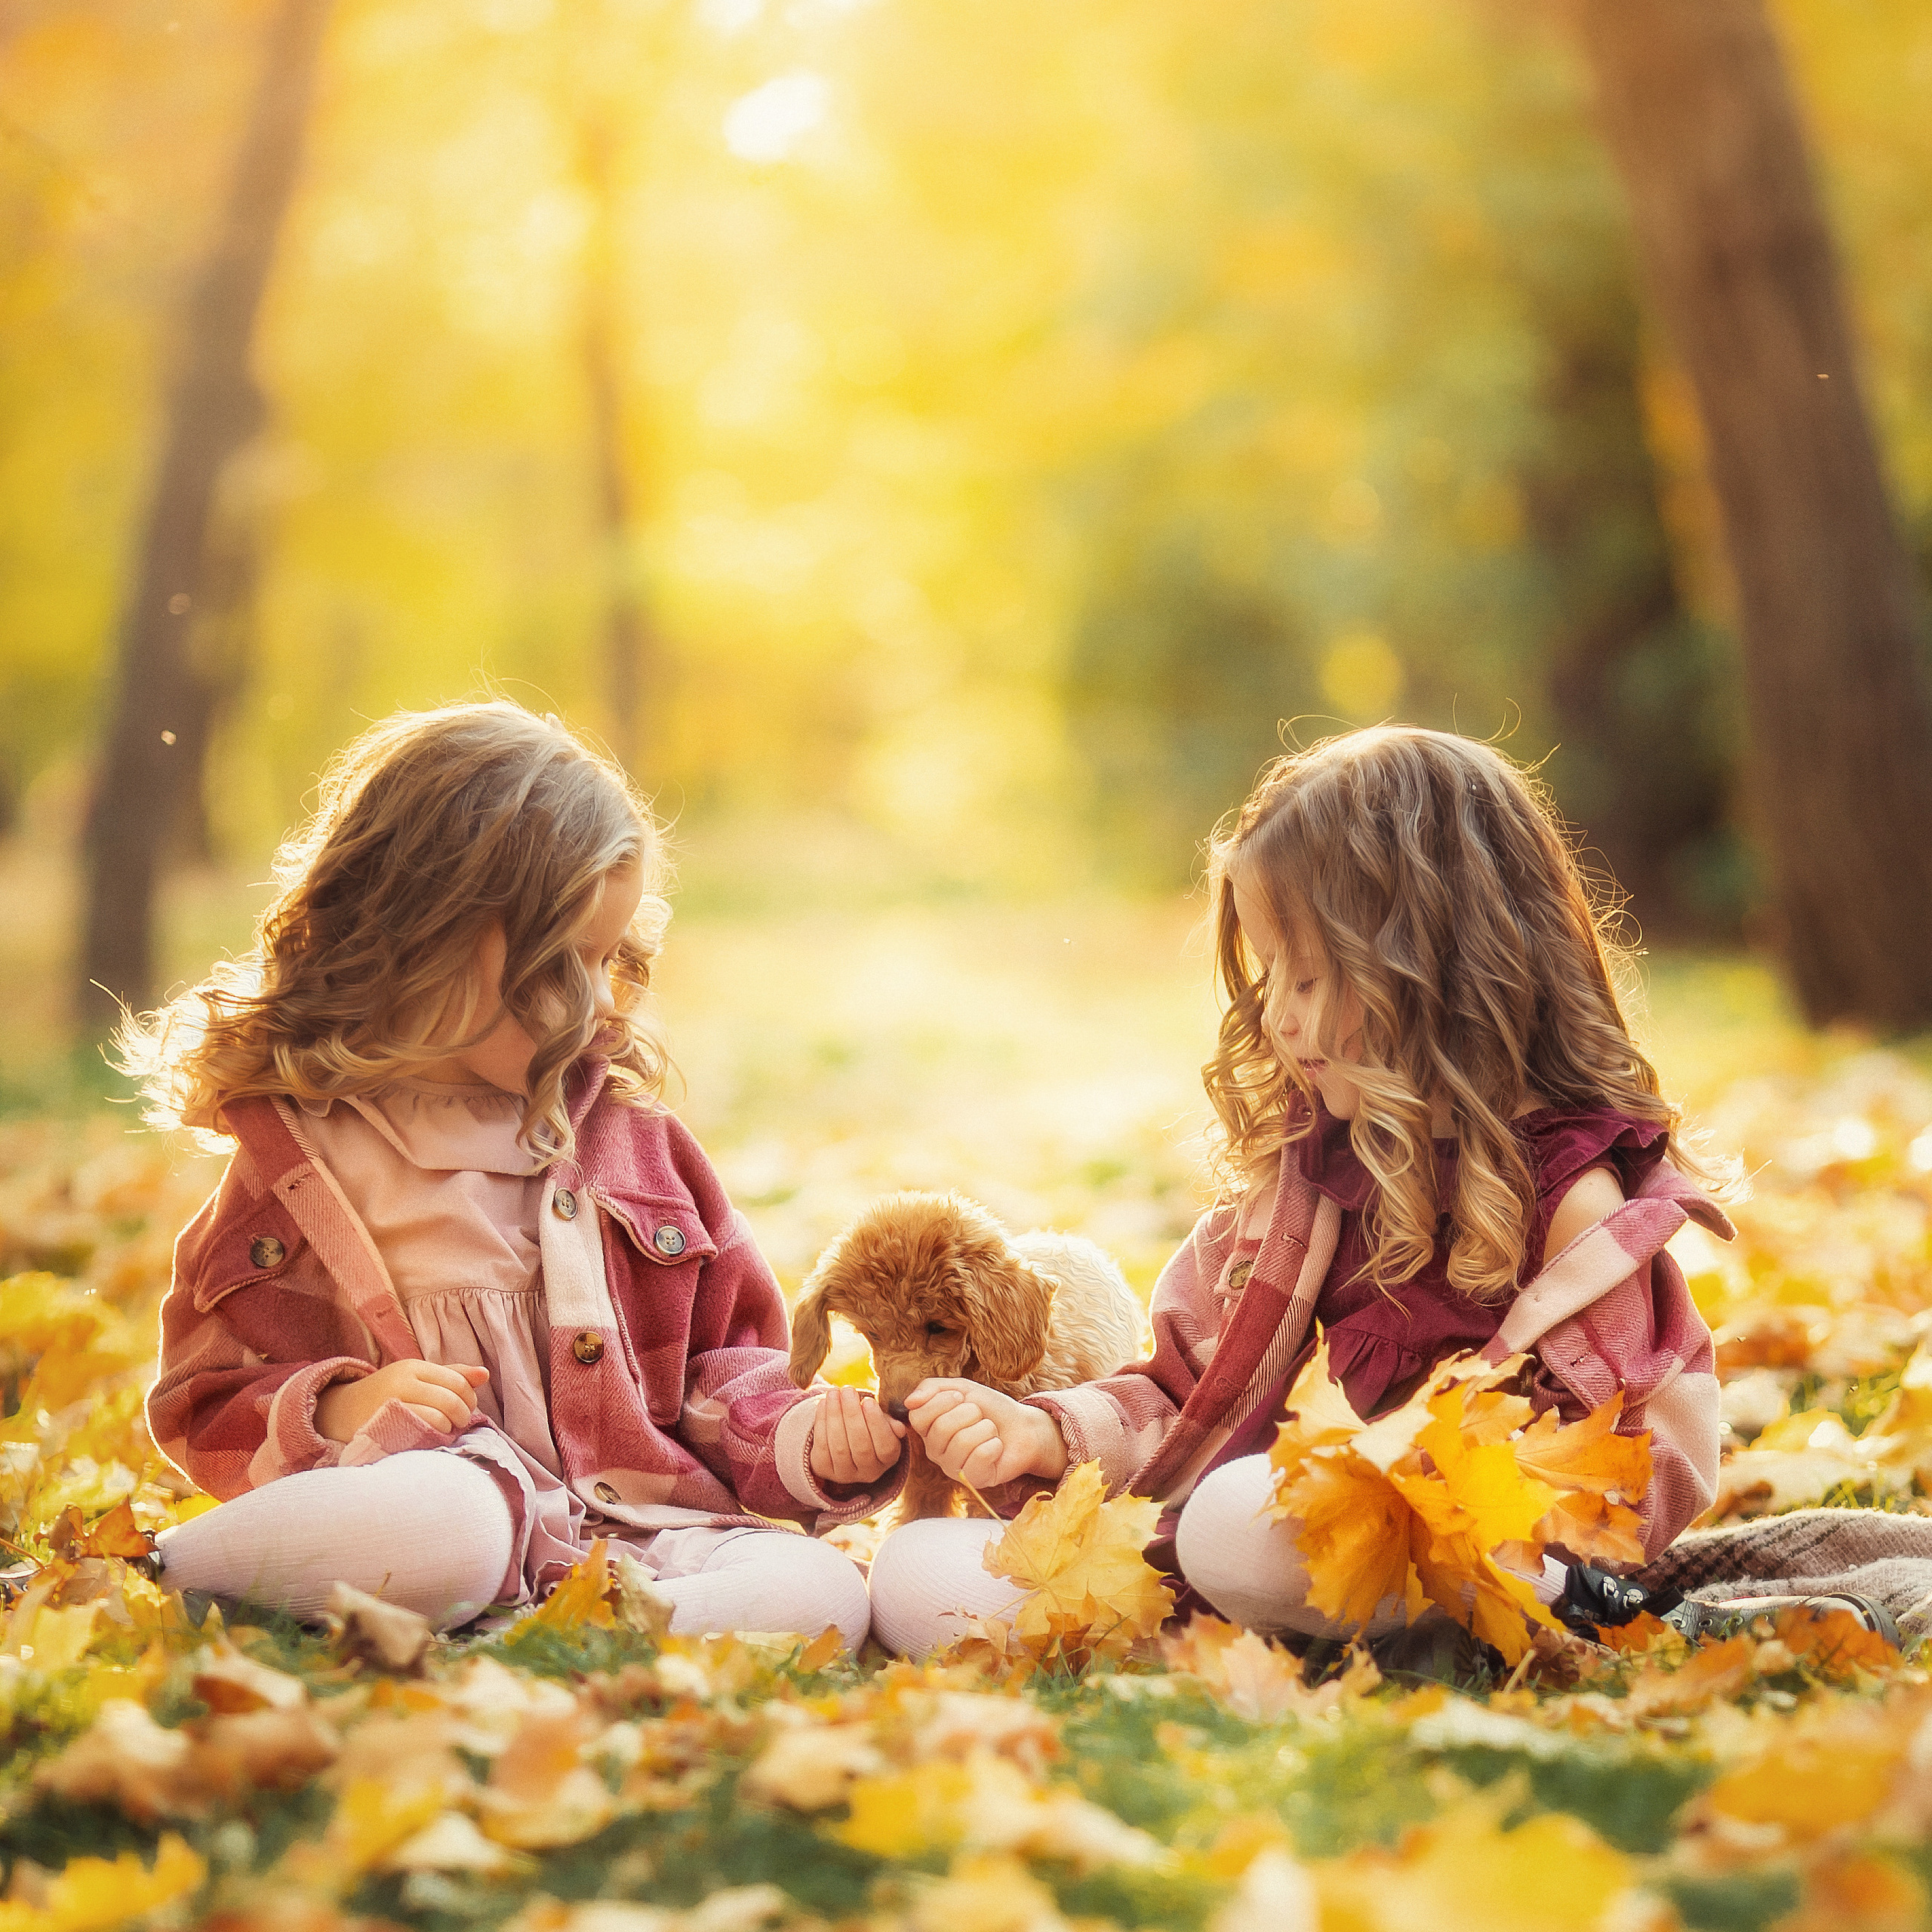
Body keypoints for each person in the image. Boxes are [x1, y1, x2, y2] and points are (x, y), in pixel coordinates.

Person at [868, 726, 1732, 1657]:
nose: (1277, 1013)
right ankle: (1281, 1639)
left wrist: (1407, 1488)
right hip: (1252, 1536)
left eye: (1310, 975)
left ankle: (1426, 1627)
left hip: (1452, 1556)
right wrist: (1041, 1435)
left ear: (1437, 972)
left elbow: (1624, 1481)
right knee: (918, 1573)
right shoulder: (1309, 1179)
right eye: (1268, 973)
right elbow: (1182, 1389)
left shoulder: (1573, 1204)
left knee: (1235, 1519)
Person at [135, 702, 904, 1644]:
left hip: (634, 1534)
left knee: (818, 1590)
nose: (590, 1002)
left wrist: (798, 1435)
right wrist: (339, 1408)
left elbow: (725, 1361)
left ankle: (528, 1645)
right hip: (440, 1519)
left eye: (604, 961)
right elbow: (199, 1401)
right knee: (455, 1518)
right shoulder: (296, 1163)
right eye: (557, 964)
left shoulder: (637, 1145)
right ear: (420, 938)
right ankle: (183, 1572)